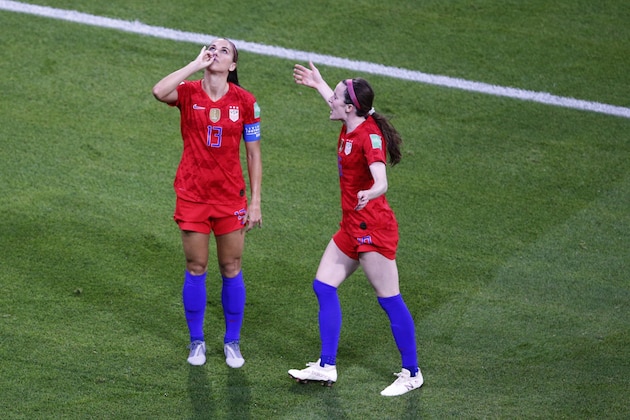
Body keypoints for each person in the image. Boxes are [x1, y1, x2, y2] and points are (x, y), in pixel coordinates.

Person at [287, 62, 423, 396]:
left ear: (350, 107)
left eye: (334, 96)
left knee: (389, 300)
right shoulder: (351, 122)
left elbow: (382, 181)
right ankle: (326, 366)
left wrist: (370, 192)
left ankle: (412, 372)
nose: (330, 100)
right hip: (351, 226)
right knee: (323, 286)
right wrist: (319, 84)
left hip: (373, 229)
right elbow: (336, 106)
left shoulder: (369, 137)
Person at [152, 38, 262, 368]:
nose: (215, 52)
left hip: (230, 198)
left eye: (223, 51)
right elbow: (159, 91)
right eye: (210, 48)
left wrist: (255, 202)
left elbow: (254, 153)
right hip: (192, 196)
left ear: (233, 65)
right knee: (196, 267)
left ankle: (232, 342)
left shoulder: (245, 102)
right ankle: (197, 341)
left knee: (231, 268)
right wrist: (195, 65)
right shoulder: (188, 92)